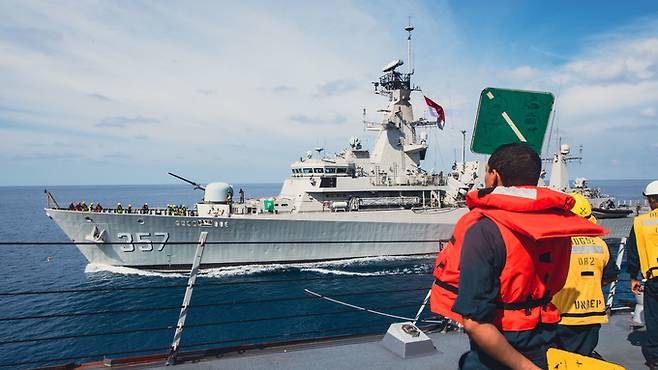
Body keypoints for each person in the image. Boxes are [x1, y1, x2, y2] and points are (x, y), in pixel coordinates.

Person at [430, 143, 607, 370]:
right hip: (544, 334)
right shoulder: (558, 225)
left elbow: (475, 323)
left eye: (487, 171)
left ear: (494, 176)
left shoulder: (484, 230)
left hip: (499, 343)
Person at [552, 193, 619, 357]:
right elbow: (610, 275)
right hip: (592, 314)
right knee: (584, 357)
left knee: (559, 358)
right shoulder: (600, 244)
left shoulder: (555, 243)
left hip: (562, 314)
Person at [627, 180, 658, 369]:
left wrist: (633, 276)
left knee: (653, 318)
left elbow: (633, 252)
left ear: (653, 199)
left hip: (654, 278)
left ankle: (655, 358)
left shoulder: (640, 223)